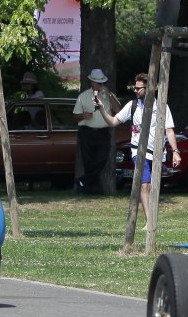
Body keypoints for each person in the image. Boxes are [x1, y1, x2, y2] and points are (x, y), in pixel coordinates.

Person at [109, 73, 181, 230]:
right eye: (134, 88)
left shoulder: (162, 106)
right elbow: (113, 121)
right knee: (145, 185)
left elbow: (169, 130)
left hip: (157, 153)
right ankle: (150, 222)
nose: (135, 90)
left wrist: (175, 151)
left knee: (154, 186)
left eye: (138, 88)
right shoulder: (133, 105)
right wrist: (101, 108)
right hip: (138, 151)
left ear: (149, 88)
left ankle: (152, 217)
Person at [72, 68, 117, 195]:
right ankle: (93, 189)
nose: (100, 85)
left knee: (101, 159)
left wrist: (109, 94)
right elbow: (74, 116)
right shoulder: (83, 96)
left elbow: (118, 110)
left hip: (103, 132)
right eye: (98, 83)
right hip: (87, 132)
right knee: (88, 161)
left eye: (102, 83)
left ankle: (82, 181)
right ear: (92, 82)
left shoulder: (108, 95)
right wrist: (83, 115)